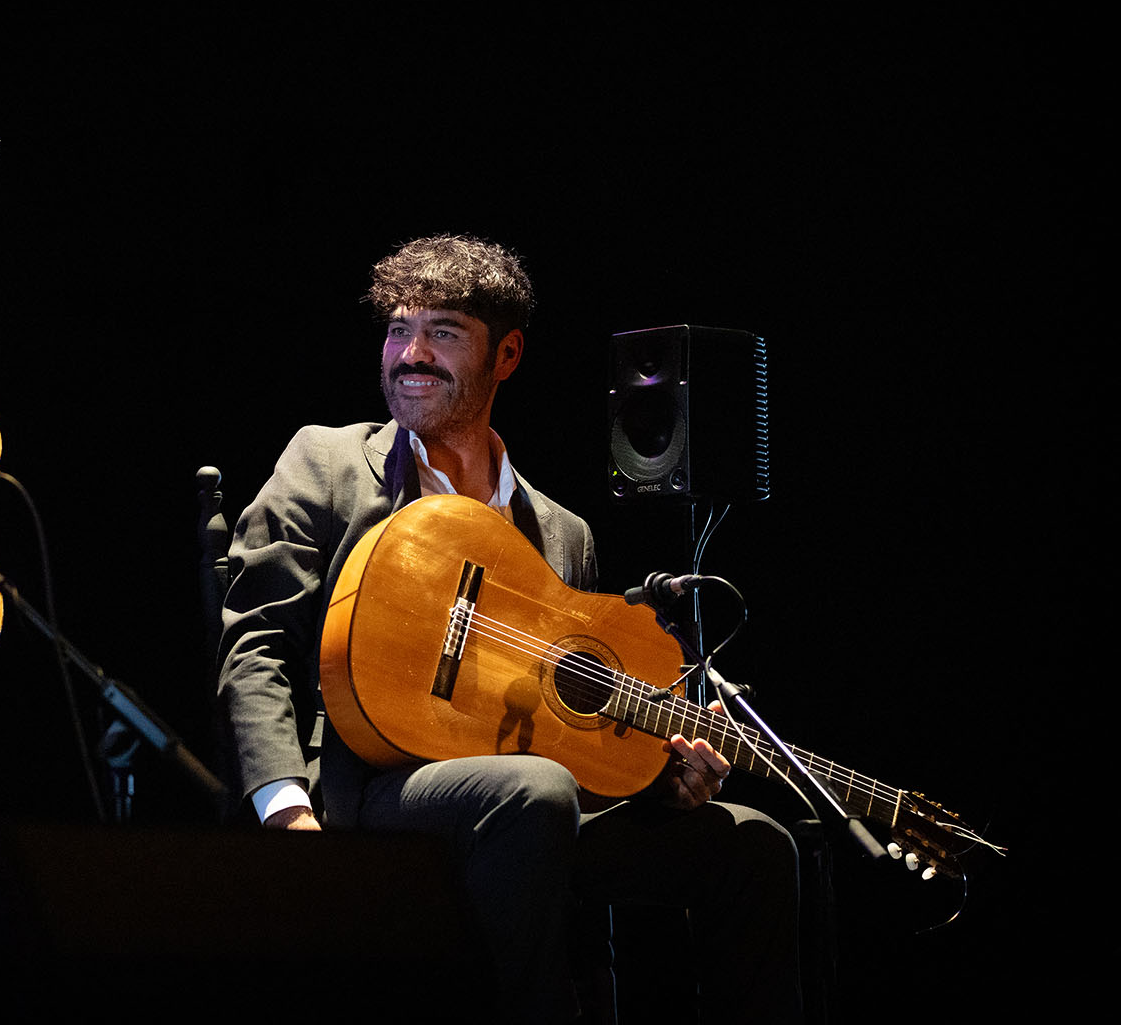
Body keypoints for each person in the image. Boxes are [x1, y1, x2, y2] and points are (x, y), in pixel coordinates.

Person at [216, 234, 800, 1022]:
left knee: (753, 844)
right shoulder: (327, 462)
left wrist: (662, 779)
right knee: (534, 790)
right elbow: (254, 643)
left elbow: (571, 734)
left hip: (532, 804)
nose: (411, 354)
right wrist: (286, 809)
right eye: (398, 330)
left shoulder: (561, 533)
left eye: (443, 332)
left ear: (508, 354)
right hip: (374, 787)